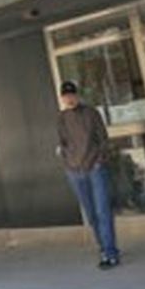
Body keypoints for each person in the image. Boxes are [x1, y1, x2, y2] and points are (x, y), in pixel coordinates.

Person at [56, 81, 119, 268]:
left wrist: (99, 160)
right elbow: (62, 143)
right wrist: (67, 162)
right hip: (75, 171)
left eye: (72, 95)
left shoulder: (91, 113)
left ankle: (110, 252)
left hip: (94, 168)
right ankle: (103, 247)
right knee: (91, 213)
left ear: (77, 95)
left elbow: (103, 140)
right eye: (66, 96)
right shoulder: (61, 118)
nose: (70, 99)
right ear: (62, 98)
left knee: (102, 211)